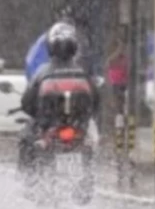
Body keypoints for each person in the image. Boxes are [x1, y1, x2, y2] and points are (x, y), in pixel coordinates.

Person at [18, 21, 100, 169]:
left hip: (49, 129)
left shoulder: (42, 73)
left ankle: (28, 182)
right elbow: (96, 102)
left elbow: (27, 104)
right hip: (78, 129)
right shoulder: (83, 73)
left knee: (25, 138)